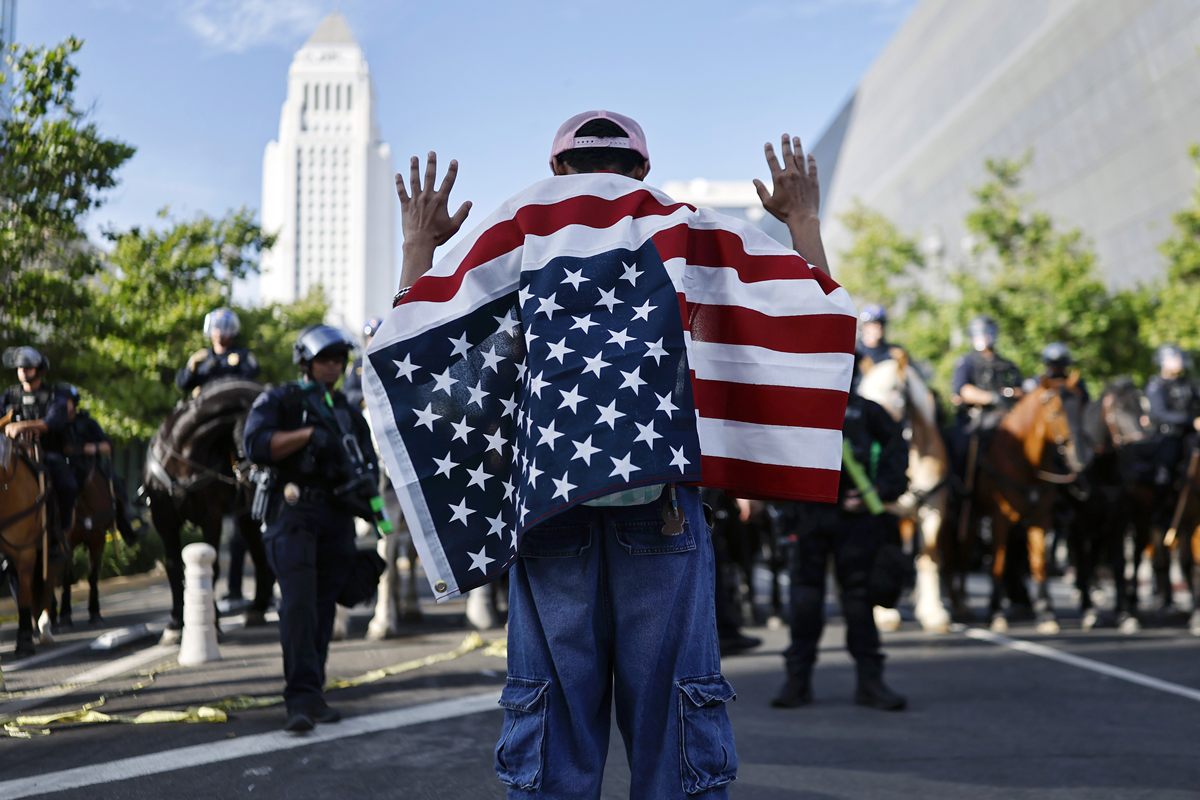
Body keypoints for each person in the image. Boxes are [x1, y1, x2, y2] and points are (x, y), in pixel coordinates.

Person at [390, 113, 835, 798]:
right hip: (660, 505)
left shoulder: (518, 224)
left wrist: (418, 243)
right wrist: (802, 220)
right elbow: (811, 322)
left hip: (550, 509)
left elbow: (416, 349)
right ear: (642, 170)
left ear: (558, 166)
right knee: (676, 733)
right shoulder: (681, 225)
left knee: (552, 727)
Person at [242, 325, 378, 733]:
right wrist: (306, 436)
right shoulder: (280, 399)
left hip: (337, 519)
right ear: (306, 360)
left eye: (338, 359)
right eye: (325, 359)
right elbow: (256, 444)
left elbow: (367, 468)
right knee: (298, 607)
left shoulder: (347, 410)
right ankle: (299, 700)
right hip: (293, 514)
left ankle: (313, 692)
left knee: (322, 609)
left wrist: (381, 519)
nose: (333, 366)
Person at [772, 360, 909, 711]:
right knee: (804, 601)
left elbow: (897, 453)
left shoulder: (867, 411)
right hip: (809, 517)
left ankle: (870, 682)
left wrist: (875, 492)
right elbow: (777, 454)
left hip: (856, 521)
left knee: (859, 600)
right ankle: (797, 681)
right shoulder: (799, 405)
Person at [2, 346, 78, 541]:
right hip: (14, 453)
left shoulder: (54, 395)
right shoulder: (10, 395)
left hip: (47, 454)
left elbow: (53, 421)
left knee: (68, 485)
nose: (23, 371)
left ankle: (62, 528)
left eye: (27, 367)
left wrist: (22, 426)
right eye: (20, 368)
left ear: (39, 369)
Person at [61, 385, 138, 543]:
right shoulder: (54, 424)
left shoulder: (87, 423)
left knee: (117, 485)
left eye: (65, 402)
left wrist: (91, 448)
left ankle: (126, 526)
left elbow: (107, 447)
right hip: (63, 467)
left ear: (73, 403)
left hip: (88, 464)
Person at [1146, 344, 1200, 490]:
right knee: (1165, 471)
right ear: (1163, 361)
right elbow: (1160, 413)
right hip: (1168, 436)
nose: (1179, 360)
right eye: (1175, 357)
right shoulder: (1156, 386)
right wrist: (1192, 420)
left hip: (1191, 435)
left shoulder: (1188, 382)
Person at [176, 307, 260, 395]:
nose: (219, 332)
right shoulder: (201, 358)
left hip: (234, 402)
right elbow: (182, 384)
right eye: (216, 327)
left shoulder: (243, 355)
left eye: (224, 327)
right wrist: (191, 369)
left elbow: (252, 374)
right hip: (205, 404)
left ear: (232, 330)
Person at [343, 316, 383, 410]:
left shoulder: (394, 363)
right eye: (369, 337)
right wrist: (364, 400)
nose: (372, 340)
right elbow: (348, 392)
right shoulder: (358, 364)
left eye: (376, 336)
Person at [855, 304, 904, 370]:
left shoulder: (894, 352)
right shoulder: (855, 351)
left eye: (882, 323)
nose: (879, 326)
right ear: (864, 326)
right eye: (874, 323)